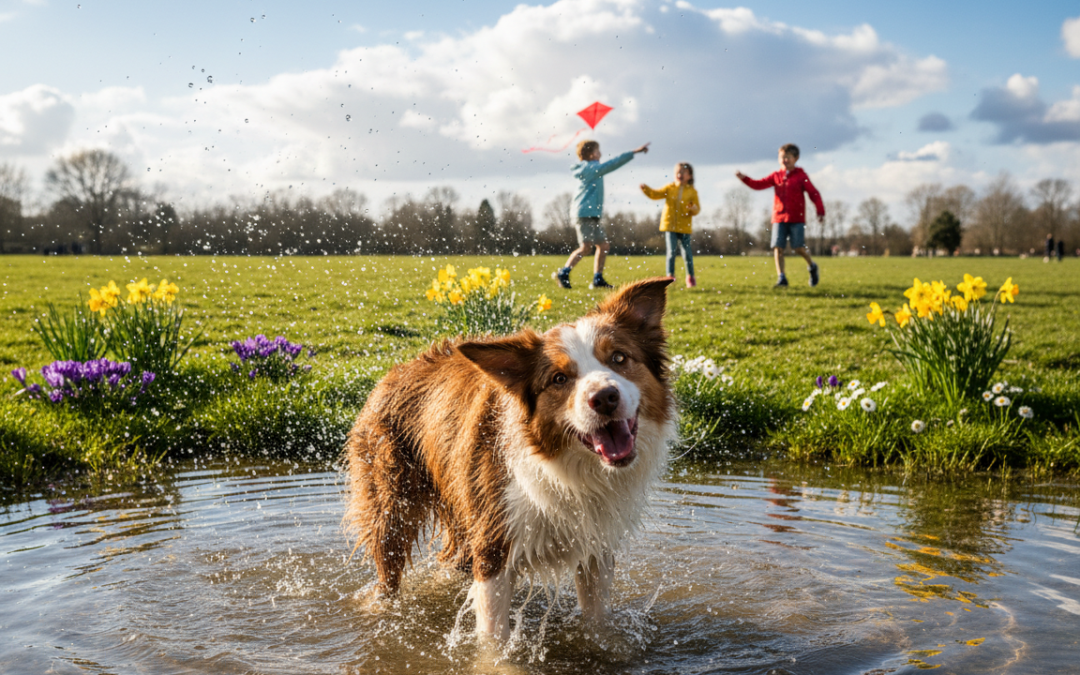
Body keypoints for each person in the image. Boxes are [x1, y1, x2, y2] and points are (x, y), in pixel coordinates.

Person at [553, 139, 650, 289]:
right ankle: (564, 272)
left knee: (603, 246)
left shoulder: (591, 168)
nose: (601, 154)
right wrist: (633, 152)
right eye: (598, 151)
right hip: (584, 213)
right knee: (586, 247)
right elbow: (613, 164)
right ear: (591, 154)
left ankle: (597, 278)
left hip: (593, 213)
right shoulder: (592, 169)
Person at [735, 143, 824, 287]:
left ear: (796, 158)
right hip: (779, 217)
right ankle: (781, 277)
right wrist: (744, 178)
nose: (785, 160)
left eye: (788, 157)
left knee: (798, 247)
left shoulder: (801, 176)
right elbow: (758, 185)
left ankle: (812, 266)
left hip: (796, 218)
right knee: (778, 247)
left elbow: (813, 193)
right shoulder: (776, 176)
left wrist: (820, 211)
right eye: (782, 157)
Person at [641, 162, 701, 288]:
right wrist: (646, 189)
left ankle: (690, 277)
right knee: (671, 252)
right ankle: (670, 277)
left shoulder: (692, 192)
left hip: (684, 227)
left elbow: (697, 209)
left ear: (689, 176)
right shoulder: (670, 188)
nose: (680, 174)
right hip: (669, 225)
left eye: (683, 172)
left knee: (687, 253)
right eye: (678, 172)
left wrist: (692, 207)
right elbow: (655, 194)